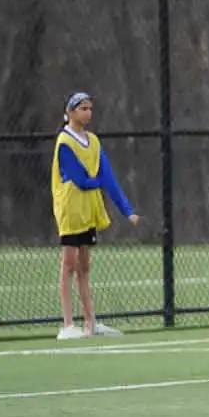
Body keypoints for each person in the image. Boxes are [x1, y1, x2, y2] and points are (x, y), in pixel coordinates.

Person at [50, 92, 140, 339]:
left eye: (90, 109)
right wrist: (96, 181)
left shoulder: (93, 141)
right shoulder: (64, 141)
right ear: (70, 112)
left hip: (88, 209)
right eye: (82, 108)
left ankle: (91, 322)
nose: (88, 113)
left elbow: (107, 178)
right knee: (68, 263)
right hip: (71, 209)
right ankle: (68, 324)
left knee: (84, 266)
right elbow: (78, 178)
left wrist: (127, 210)